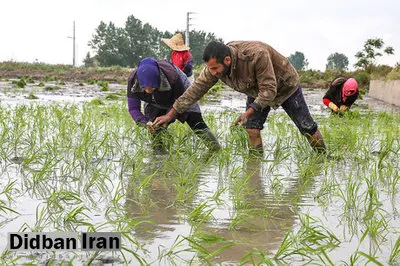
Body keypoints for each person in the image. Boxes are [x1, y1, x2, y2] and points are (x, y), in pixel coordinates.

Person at [153, 41, 326, 154]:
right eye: (210, 69)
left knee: (307, 127)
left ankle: (323, 159)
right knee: (251, 129)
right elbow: (195, 91)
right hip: (255, 91)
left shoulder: (256, 55)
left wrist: (248, 112)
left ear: (227, 60)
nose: (212, 73)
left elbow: (269, 90)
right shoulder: (214, 67)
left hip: (285, 85)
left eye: (215, 69)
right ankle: (255, 167)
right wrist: (170, 114)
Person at [127, 57, 220, 152]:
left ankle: (216, 149)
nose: (148, 91)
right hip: (154, 101)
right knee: (154, 126)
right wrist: (146, 123)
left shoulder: (172, 76)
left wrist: (168, 117)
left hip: (181, 95)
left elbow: (180, 102)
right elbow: (133, 109)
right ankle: (159, 157)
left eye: (152, 87)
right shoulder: (133, 82)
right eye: (144, 88)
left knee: (196, 122)